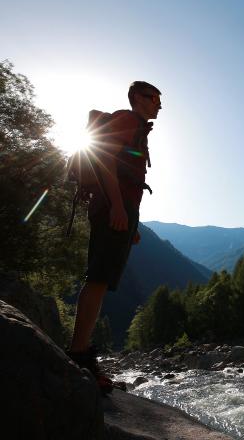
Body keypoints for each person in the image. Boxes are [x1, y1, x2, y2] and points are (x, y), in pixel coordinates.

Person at [66, 81, 161, 394]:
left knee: (101, 280)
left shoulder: (136, 127)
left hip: (119, 207)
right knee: (98, 279)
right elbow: (105, 159)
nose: (158, 105)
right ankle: (79, 355)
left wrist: (131, 224)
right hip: (113, 205)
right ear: (137, 98)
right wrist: (118, 206)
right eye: (154, 98)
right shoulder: (126, 119)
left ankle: (81, 353)